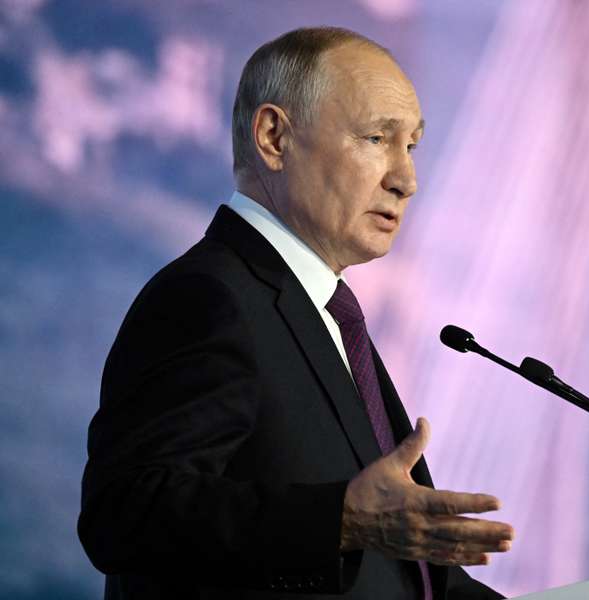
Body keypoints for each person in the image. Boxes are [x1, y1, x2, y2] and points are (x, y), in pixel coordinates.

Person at [78, 27, 514, 600]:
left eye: (411, 146)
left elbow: (417, 580)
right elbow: (126, 513)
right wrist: (341, 520)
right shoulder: (207, 299)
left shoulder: (327, 315)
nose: (406, 180)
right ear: (274, 137)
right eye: (376, 137)